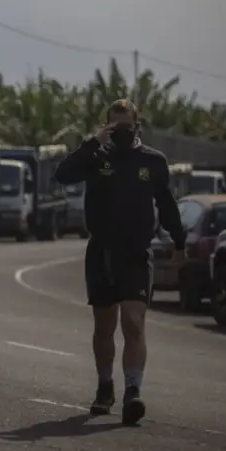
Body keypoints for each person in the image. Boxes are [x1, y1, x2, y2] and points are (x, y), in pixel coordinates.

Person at [54, 99, 185, 425]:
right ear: (107, 126)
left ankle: (133, 392)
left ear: (138, 126)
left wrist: (180, 242)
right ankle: (105, 386)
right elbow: (63, 175)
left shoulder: (153, 161)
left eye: (127, 125)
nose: (122, 132)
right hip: (102, 252)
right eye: (115, 126)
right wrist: (94, 142)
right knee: (104, 327)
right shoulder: (97, 157)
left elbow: (166, 204)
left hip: (136, 253)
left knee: (134, 321)